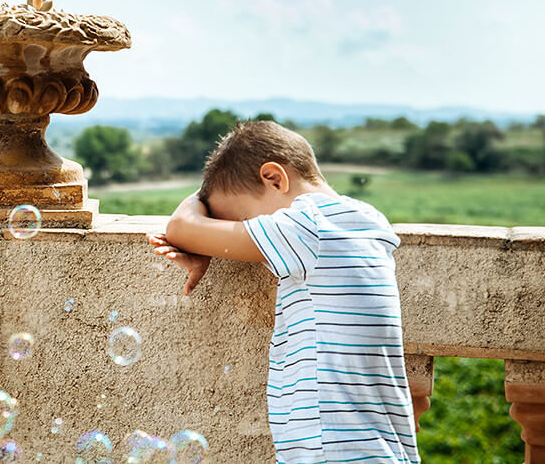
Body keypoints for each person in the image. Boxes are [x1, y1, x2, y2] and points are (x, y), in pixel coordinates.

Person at [149, 120, 419, 463]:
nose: (237, 232)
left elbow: (182, 228)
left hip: (332, 449)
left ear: (275, 179)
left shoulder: (308, 225)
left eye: (241, 220)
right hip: (381, 445)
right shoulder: (366, 220)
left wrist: (201, 206)